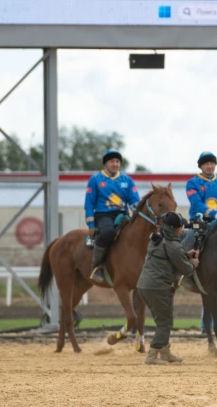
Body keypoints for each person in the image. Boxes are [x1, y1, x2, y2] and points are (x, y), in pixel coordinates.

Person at [137, 211, 200, 364]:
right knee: (164, 323)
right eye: (180, 226)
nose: (182, 228)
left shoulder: (158, 239)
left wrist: (184, 254)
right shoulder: (173, 245)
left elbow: (167, 256)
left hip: (145, 285)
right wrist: (193, 264)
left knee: (165, 319)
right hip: (158, 287)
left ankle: (165, 353)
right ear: (175, 229)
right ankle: (152, 356)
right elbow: (186, 270)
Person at [85, 149, 141, 282]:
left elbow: (134, 200)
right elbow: (89, 203)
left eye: (117, 161)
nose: (115, 164)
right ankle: (97, 266)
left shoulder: (127, 180)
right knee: (109, 233)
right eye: (111, 161)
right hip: (103, 215)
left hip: (122, 215)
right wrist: (91, 225)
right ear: (105, 163)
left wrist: (135, 208)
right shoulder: (95, 179)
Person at [183, 151, 217, 251]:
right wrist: (214, 214)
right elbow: (196, 204)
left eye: (212, 163)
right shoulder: (192, 182)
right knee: (188, 245)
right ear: (201, 166)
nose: (209, 166)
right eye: (206, 164)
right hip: (199, 223)